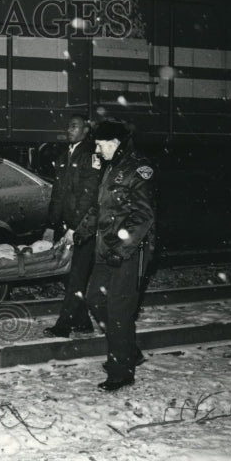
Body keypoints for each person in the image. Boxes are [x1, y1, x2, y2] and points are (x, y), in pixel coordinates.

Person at [83, 120, 156, 392]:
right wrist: (79, 232)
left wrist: (122, 250)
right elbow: (99, 209)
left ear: (115, 142)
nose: (98, 151)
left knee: (118, 310)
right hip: (107, 248)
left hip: (130, 251)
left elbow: (143, 216)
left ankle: (121, 372)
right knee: (93, 299)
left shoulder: (140, 169)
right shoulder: (111, 167)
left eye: (101, 145)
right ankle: (128, 349)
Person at [42, 114, 100, 338]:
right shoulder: (64, 156)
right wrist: (51, 226)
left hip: (83, 228)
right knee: (67, 276)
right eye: (68, 126)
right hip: (66, 227)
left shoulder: (91, 156)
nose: (69, 130)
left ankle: (63, 326)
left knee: (76, 276)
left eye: (74, 126)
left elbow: (88, 196)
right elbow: (58, 195)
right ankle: (83, 322)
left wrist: (73, 228)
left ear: (86, 130)